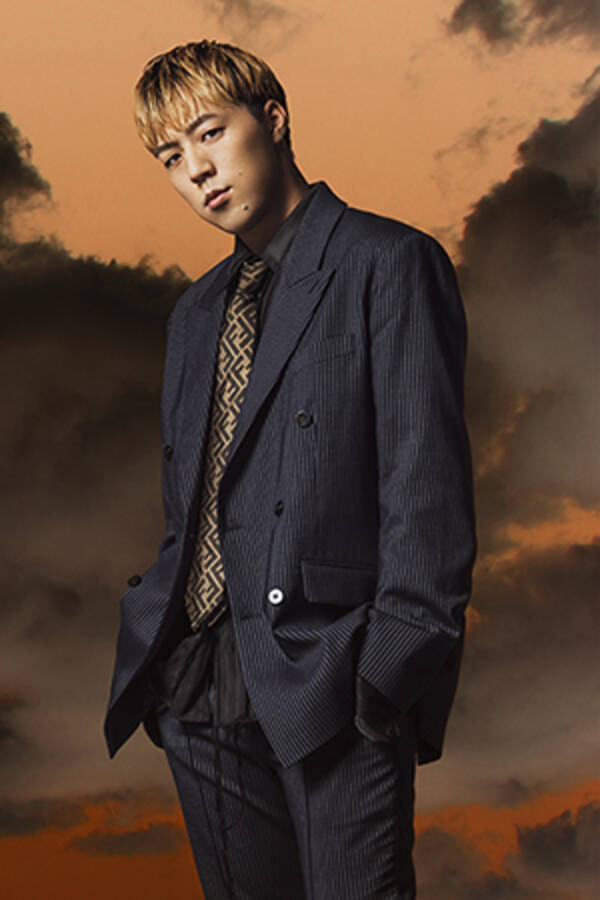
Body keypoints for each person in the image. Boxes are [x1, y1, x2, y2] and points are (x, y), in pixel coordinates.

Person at [104, 39, 477, 900]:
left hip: (333, 675)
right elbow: (191, 504)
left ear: (272, 118)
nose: (197, 170)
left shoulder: (388, 261)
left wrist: (387, 672)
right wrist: (164, 663)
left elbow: (426, 489)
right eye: (170, 157)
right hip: (198, 685)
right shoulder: (196, 313)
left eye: (209, 133)